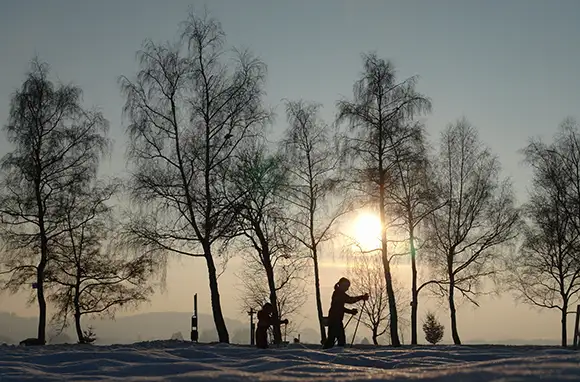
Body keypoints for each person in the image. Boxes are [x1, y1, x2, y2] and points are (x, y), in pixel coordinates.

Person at [323, 277, 369, 349]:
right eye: (346, 286)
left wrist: (351, 311)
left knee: (332, 339)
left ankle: (327, 353)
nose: (347, 288)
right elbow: (349, 300)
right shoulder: (339, 294)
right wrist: (361, 297)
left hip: (334, 319)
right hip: (335, 320)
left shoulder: (338, 292)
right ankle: (336, 354)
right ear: (342, 285)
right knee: (339, 339)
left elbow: (341, 307)